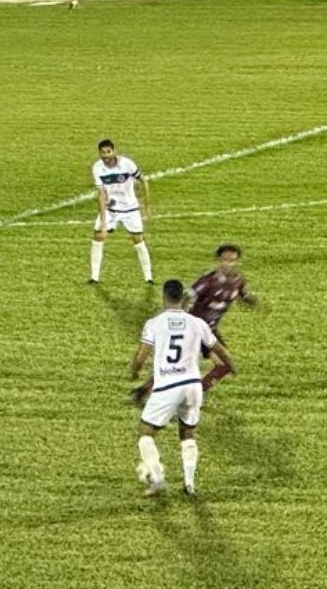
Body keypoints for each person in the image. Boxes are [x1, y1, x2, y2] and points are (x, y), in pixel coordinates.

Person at [130, 280, 236, 497]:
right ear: (183, 298)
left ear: (164, 296)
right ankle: (189, 483)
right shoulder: (197, 323)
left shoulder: (155, 323)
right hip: (193, 386)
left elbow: (141, 355)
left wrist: (134, 371)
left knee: (146, 433)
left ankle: (157, 477)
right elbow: (220, 350)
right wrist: (231, 365)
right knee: (188, 433)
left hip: (168, 385)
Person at [130, 244, 259, 405]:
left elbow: (242, 294)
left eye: (232, 260)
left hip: (209, 330)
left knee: (210, 365)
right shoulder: (208, 281)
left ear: (237, 262)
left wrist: (251, 301)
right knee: (195, 364)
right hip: (195, 328)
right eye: (224, 260)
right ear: (218, 261)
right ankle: (167, 393)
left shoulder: (238, 281)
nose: (227, 264)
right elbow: (187, 297)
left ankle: (149, 390)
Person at [89, 139, 152, 284]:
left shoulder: (127, 164)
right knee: (98, 237)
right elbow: (102, 194)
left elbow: (143, 180)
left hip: (130, 209)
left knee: (138, 239)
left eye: (108, 152)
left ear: (114, 151)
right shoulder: (97, 168)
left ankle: (148, 277)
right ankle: (94, 278)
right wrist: (104, 223)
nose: (106, 155)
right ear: (99, 153)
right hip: (111, 210)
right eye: (102, 152)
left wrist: (147, 206)